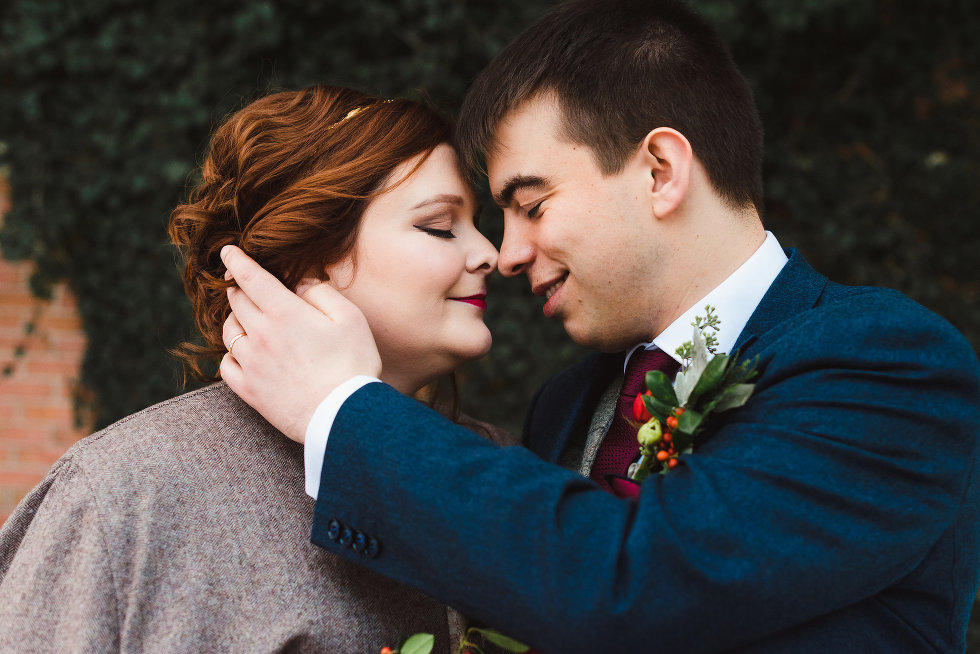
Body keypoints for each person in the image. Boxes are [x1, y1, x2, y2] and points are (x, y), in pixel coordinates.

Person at [218, 1, 980, 652]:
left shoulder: (887, 363)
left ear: (660, 171)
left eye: (532, 203)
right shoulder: (568, 404)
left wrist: (343, 410)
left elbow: (634, 583)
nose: (507, 254)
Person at [0, 84, 514, 652]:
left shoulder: (502, 470)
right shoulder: (128, 487)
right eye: (440, 226)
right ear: (307, 255)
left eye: (475, 222)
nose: (489, 252)